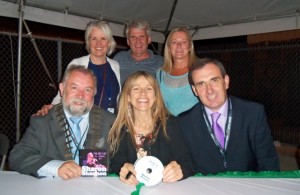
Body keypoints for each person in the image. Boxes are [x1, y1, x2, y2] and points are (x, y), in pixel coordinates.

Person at [9, 65, 116, 180]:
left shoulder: (111, 122)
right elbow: (18, 156)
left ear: (94, 93)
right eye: (74, 88)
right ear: (62, 88)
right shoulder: (43, 122)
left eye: (87, 90)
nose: (80, 95)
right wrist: (56, 167)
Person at [178, 58, 280, 175]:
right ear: (194, 90)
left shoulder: (253, 113)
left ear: (226, 81)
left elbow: (268, 161)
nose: (209, 90)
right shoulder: (184, 122)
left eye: (214, 80)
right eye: (201, 84)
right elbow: (184, 164)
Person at [108, 71, 194, 185]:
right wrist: (123, 171)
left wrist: (181, 170)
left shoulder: (170, 124)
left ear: (155, 96)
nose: (143, 93)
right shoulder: (119, 128)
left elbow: (187, 161)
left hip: (167, 189)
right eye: (136, 89)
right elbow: (116, 163)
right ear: (128, 97)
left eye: (149, 89)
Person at [37, 20, 121, 115]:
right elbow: (64, 93)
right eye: (94, 39)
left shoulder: (115, 66)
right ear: (88, 42)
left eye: (103, 39)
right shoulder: (77, 64)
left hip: (110, 124)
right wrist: (51, 108)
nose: (99, 43)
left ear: (109, 43)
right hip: (82, 122)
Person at [156, 27, 198, 116]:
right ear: (169, 47)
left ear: (190, 46)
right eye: (174, 42)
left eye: (183, 42)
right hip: (171, 127)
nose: (179, 46)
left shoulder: (199, 70)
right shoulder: (160, 74)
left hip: (195, 126)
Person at [113, 19, 163, 84]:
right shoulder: (119, 58)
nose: (138, 41)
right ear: (128, 41)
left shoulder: (161, 62)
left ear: (149, 39)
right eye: (133, 37)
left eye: (142, 37)